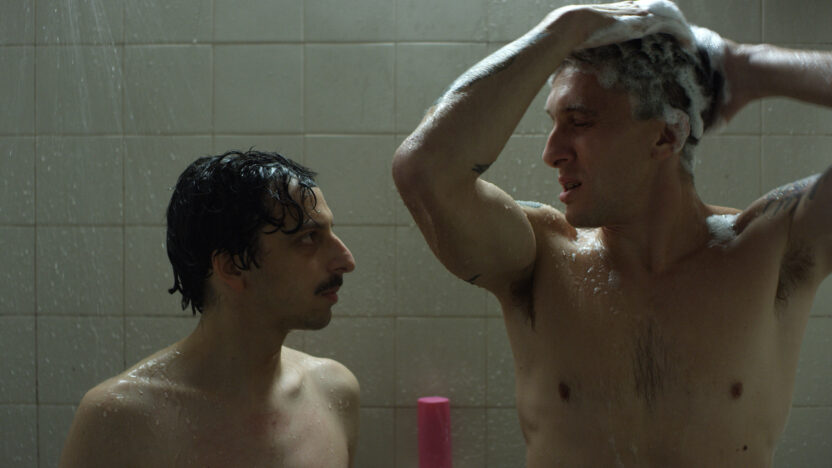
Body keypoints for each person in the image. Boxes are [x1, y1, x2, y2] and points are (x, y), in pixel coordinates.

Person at [392, 1, 831, 466]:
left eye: (579, 122)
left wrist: (748, 66)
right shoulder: (539, 258)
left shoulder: (771, 247)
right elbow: (424, 170)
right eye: (553, 124)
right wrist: (561, 31)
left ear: (666, 136)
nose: (552, 152)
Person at [59, 150, 360, 467]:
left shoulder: (334, 393)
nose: (346, 260)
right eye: (309, 238)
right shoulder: (119, 420)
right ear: (232, 267)